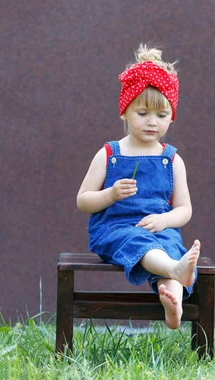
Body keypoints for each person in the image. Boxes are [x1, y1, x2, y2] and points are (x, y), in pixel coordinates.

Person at [76, 44, 201, 330]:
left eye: (161, 115)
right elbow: (83, 200)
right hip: (114, 230)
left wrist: (164, 220)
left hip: (158, 228)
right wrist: (110, 194)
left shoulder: (172, 159)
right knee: (143, 244)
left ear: (171, 116)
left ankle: (174, 305)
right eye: (142, 113)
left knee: (170, 246)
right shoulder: (110, 153)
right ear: (125, 112)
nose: (151, 122)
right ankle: (174, 270)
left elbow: (184, 209)